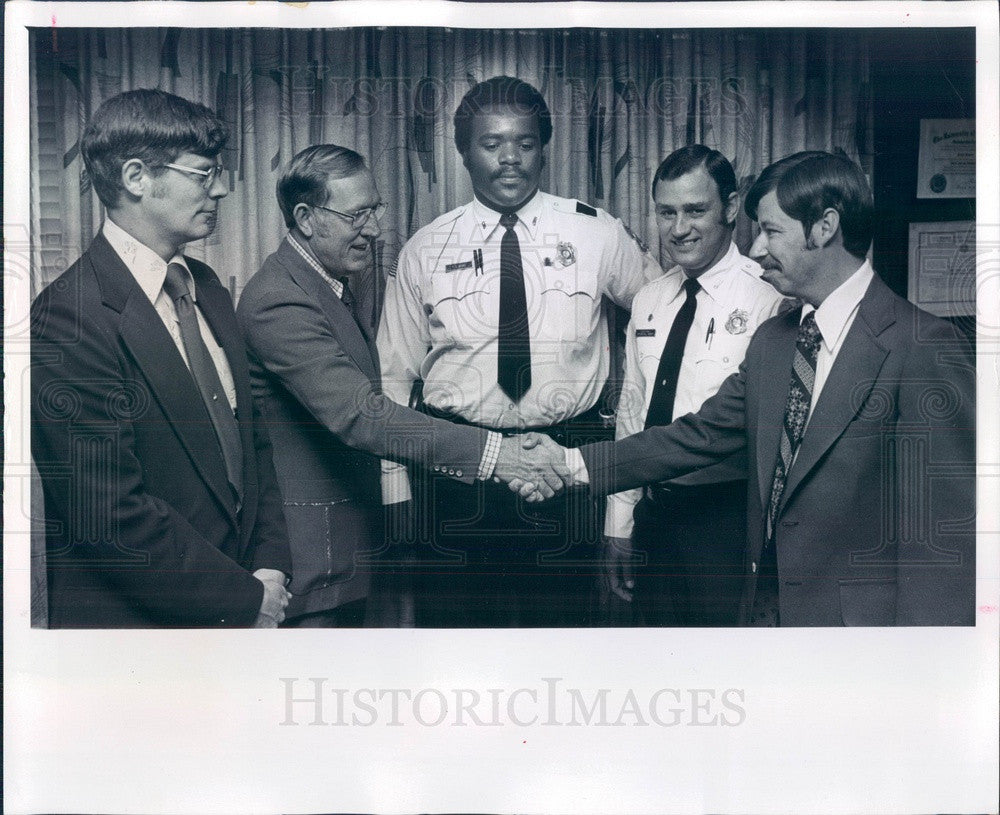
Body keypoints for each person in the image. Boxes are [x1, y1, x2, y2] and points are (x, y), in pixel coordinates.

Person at [523, 151, 975, 626]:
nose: (757, 249)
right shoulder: (776, 342)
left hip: (860, 637)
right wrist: (570, 462)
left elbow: (943, 549)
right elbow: (699, 435)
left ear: (824, 227)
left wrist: (922, 671)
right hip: (767, 614)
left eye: (772, 232)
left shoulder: (923, 347)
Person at [236, 144, 569, 626]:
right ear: (305, 218)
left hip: (350, 550)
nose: (373, 229)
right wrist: (500, 454)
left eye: (375, 210)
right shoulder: (277, 300)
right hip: (311, 559)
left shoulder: (342, 279)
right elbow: (361, 414)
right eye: (357, 215)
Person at [378, 76, 662, 626]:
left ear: (543, 147)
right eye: (491, 144)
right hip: (456, 470)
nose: (511, 159)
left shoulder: (596, 234)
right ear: (463, 152)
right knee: (458, 647)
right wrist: (396, 494)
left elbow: (663, 310)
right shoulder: (427, 247)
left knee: (562, 642)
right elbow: (393, 379)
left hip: (568, 467)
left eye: (526, 143)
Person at [31, 89, 292, 627]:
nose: (221, 188)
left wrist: (269, 569)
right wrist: (244, 598)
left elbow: (254, 443)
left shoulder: (209, 288)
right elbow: (110, 515)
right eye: (203, 174)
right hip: (138, 631)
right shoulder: (68, 317)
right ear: (136, 178)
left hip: (242, 601)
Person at [603, 145, 788, 626]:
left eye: (695, 210)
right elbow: (632, 411)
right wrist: (619, 523)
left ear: (729, 207)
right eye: (666, 212)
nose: (678, 229)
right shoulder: (648, 299)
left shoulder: (771, 297)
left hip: (726, 519)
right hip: (654, 514)